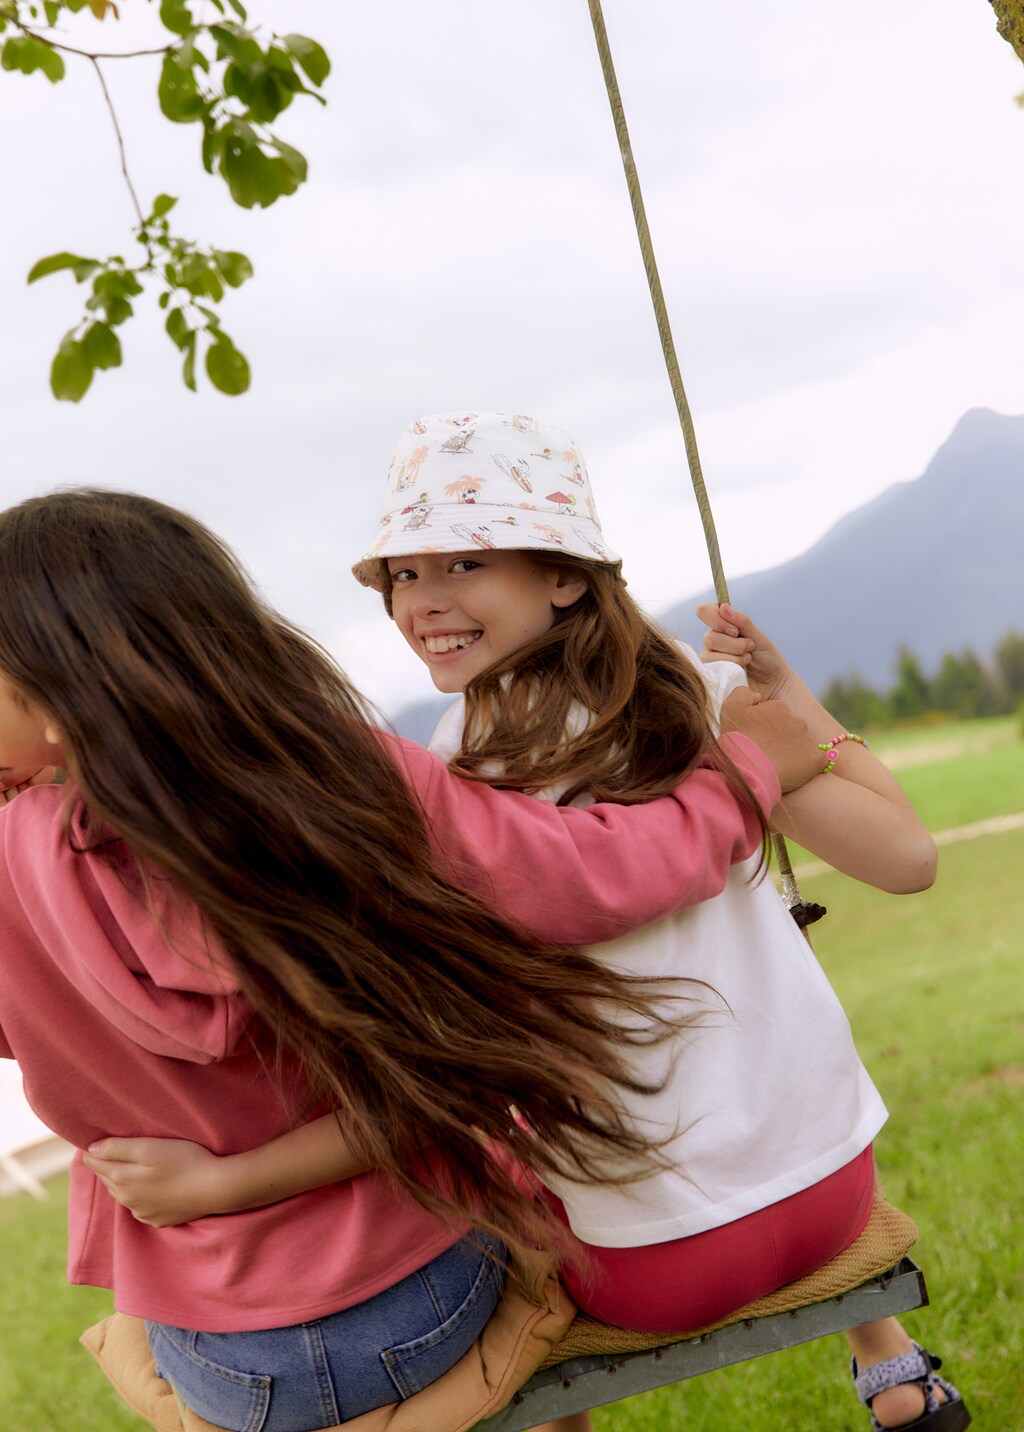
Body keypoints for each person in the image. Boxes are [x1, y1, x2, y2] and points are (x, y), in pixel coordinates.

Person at [91, 412, 970, 1432]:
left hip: (649, 1268)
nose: (423, 604)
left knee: (469, 1218)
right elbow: (908, 859)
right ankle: (891, 1368)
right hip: (834, 1195)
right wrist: (786, 702)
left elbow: (451, 1063)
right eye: (401, 577)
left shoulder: (463, 769)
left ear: (562, 574)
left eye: (463, 561)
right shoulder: (701, 695)